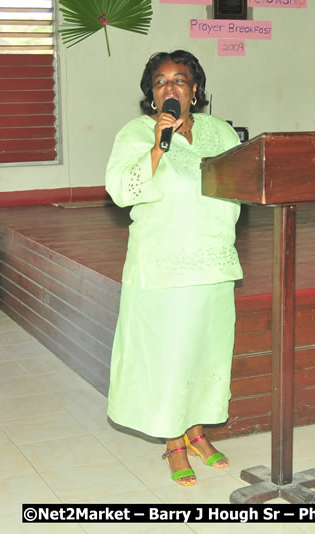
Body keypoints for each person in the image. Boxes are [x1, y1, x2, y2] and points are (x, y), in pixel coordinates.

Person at [104, 50, 243, 486]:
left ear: (195, 89)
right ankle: (172, 442)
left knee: (206, 351)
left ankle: (197, 431)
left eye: (179, 80)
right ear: (151, 94)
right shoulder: (136, 133)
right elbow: (121, 190)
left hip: (213, 261)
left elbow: (244, 181)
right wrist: (157, 148)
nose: (170, 88)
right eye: (161, 82)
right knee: (168, 357)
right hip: (161, 267)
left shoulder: (221, 132)